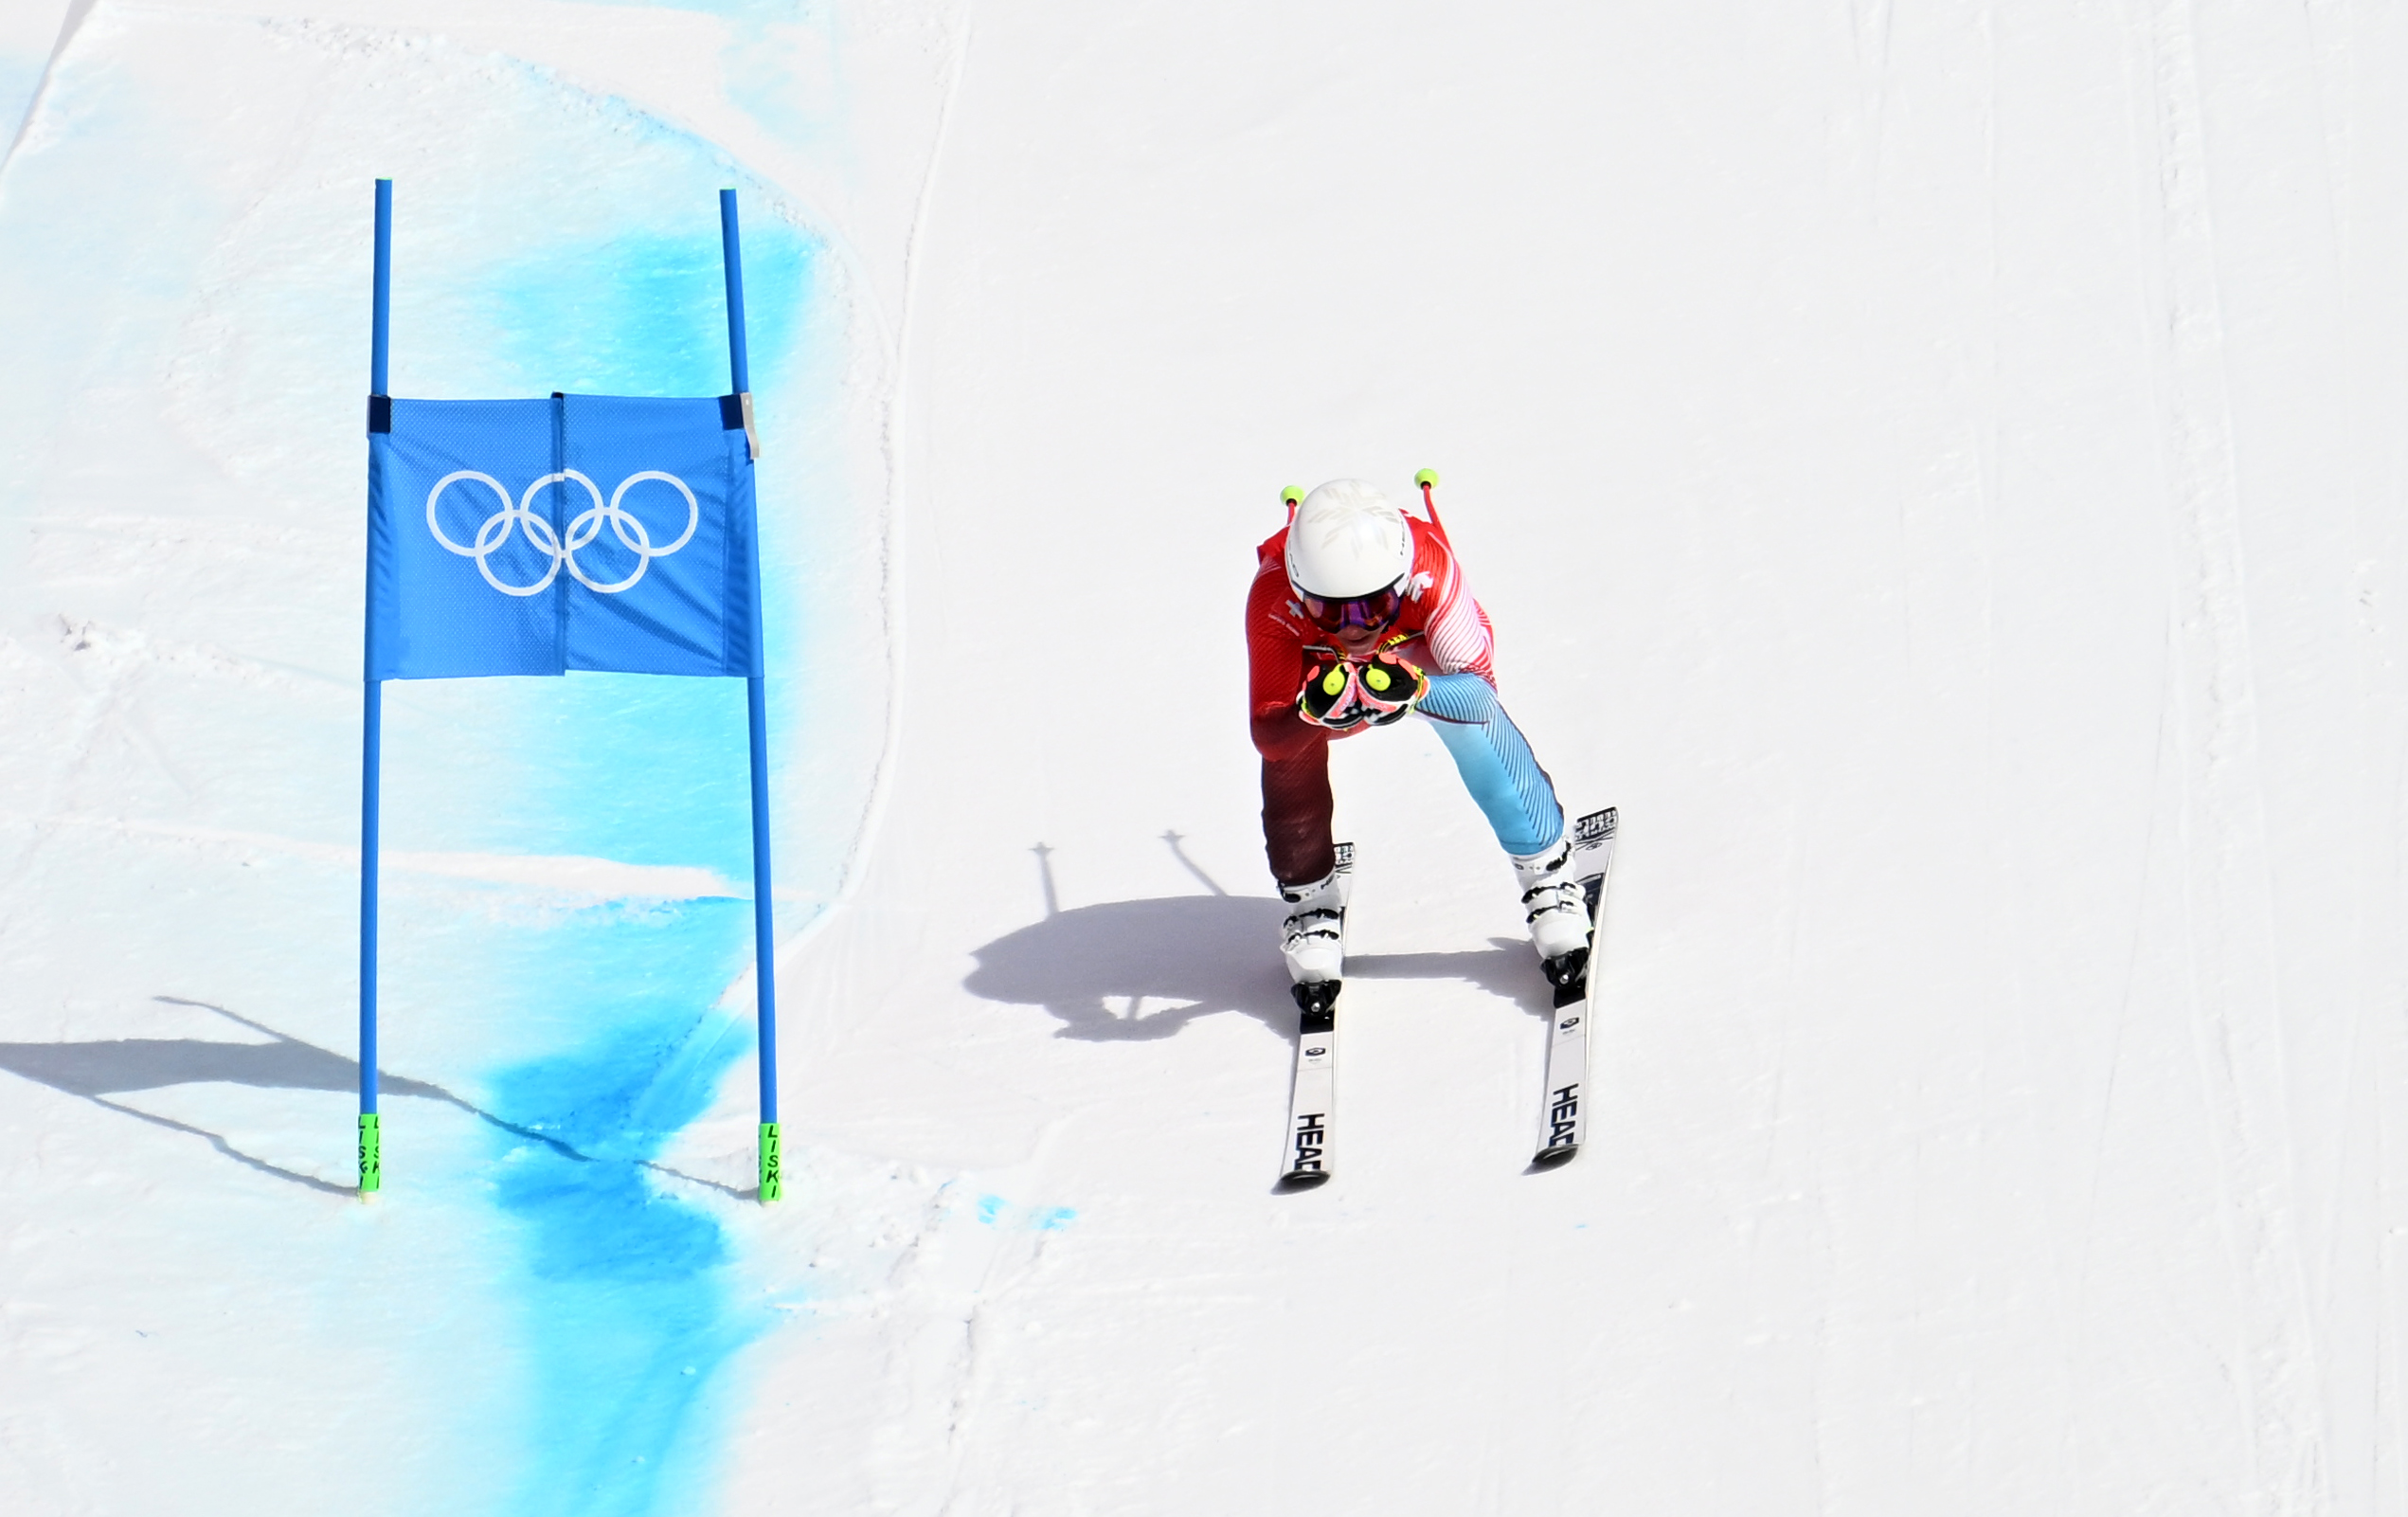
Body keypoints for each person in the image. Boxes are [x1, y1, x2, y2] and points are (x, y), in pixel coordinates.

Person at [1247, 474, 1588, 989]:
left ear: (1401, 583)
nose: (1353, 627)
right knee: (1292, 754)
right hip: (1324, 672)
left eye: (1373, 606)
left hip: (1416, 653)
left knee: (1474, 726)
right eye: (1328, 609)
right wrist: (1311, 716)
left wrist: (1419, 691)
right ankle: (1310, 900)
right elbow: (1269, 735)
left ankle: (1546, 869)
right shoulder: (1273, 597)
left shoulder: (1430, 569)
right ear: (1299, 591)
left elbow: (1481, 696)